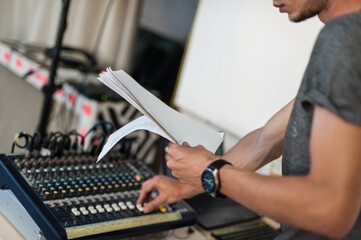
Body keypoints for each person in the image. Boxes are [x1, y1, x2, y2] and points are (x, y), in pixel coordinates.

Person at [137, 0, 361, 239]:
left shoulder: (344, 39)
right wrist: (186, 186)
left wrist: (212, 173)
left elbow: (330, 207)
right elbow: (266, 141)